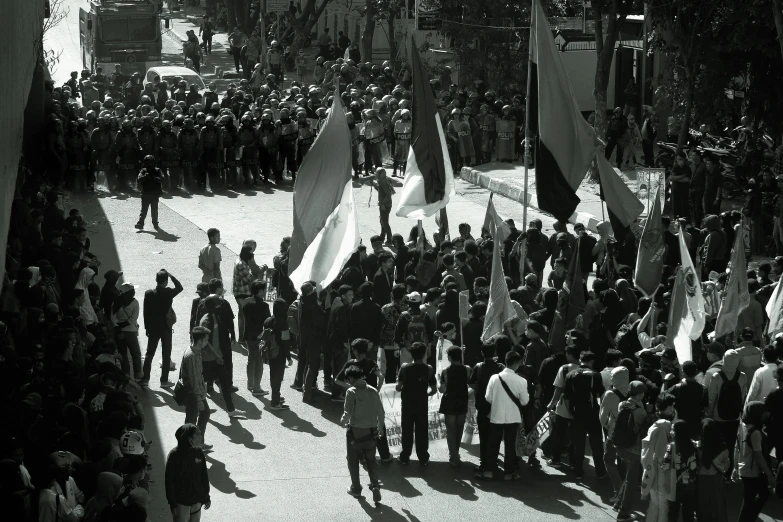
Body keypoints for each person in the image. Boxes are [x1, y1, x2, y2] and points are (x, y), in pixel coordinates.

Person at [476, 351, 528, 480]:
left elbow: (488, 397)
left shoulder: (494, 378)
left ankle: (489, 471)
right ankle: (509, 473)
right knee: (510, 445)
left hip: (496, 415)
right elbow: (524, 401)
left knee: (493, 443)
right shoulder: (522, 380)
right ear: (516, 363)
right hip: (513, 417)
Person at [341, 365, 384, 502]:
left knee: (352, 460)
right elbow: (381, 412)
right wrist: (381, 428)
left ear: (352, 378)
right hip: (372, 432)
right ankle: (375, 484)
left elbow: (348, 412)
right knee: (371, 460)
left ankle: (356, 488)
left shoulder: (351, 392)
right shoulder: (373, 391)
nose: (348, 382)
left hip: (355, 432)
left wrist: (343, 421)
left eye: (348, 380)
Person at [564, 351, 607, 481]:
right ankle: (600, 472)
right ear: (591, 362)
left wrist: (571, 413)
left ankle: (578, 471)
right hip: (593, 413)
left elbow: (566, 398)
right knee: (596, 444)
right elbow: (600, 395)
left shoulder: (570, 375)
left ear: (580, 360)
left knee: (578, 444)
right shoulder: (596, 375)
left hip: (577, 413)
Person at [395, 342, 437, 465]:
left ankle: (405, 456)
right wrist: (425, 394)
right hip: (422, 404)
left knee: (407, 429)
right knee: (422, 430)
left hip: (407, 403)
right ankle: (423, 457)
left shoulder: (404, 367)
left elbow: (398, 387)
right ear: (424, 354)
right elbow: (434, 389)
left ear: (411, 354)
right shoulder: (428, 369)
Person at [141, 269, 183, 388]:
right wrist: (171, 275)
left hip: (153, 328)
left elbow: (146, 313)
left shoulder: (149, 293)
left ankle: (145, 379)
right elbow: (180, 287)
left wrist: (147, 328)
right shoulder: (169, 293)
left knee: (149, 354)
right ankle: (164, 380)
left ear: (156, 280)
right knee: (166, 354)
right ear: (165, 282)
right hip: (166, 328)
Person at [613, 380, 648, 522]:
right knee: (632, 483)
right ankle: (623, 514)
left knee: (628, 477)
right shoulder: (641, 411)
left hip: (619, 446)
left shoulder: (622, 404)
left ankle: (617, 503)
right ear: (640, 394)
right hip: (633, 450)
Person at [735, 401, 775, 522]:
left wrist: (735, 468)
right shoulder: (756, 433)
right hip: (752, 471)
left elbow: (736, 448)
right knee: (751, 501)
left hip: (745, 469)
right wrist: (769, 475)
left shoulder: (743, 427)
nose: (765, 415)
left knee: (755, 497)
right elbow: (759, 456)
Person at [165, 424, 211, 522]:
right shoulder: (174, 455)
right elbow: (169, 481)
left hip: (196, 500)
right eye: (197, 434)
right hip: (181, 503)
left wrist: (206, 496)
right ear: (188, 438)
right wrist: (172, 503)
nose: (200, 435)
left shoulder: (198, 452)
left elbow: (204, 475)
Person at [438, 345, 471, 466]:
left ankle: (453, 455)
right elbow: (471, 384)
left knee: (451, 430)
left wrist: (439, 383)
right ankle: (456, 452)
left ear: (450, 358)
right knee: (459, 428)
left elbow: (442, 390)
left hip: (449, 403)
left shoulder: (445, 372)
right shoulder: (467, 369)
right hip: (462, 403)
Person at [661, 420, 699, 522]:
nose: (671, 431)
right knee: (688, 512)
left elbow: (664, 466)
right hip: (690, 484)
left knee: (673, 511)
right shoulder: (693, 445)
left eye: (673, 429)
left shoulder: (671, 447)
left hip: (675, 484)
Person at [181, 327, 212, 446]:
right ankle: (188, 445)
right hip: (193, 394)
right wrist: (199, 399)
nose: (207, 342)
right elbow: (193, 379)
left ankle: (197, 442)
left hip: (197, 392)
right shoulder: (192, 356)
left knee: (202, 414)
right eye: (206, 339)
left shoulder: (195, 351)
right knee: (191, 421)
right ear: (200, 341)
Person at [241, 279, 271, 396]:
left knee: (251, 359)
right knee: (259, 361)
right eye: (264, 289)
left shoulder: (246, 303)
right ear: (260, 291)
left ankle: (250, 383)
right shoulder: (264, 306)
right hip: (259, 336)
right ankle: (257, 388)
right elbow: (267, 322)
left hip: (249, 335)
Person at [696, 419, 730, 522]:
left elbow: (696, 463)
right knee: (717, 507)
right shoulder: (722, 446)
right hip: (716, 480)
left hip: (701, 481)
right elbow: (726, 463)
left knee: (703, 508)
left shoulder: (698, 446)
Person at [266, 299, 295, 410]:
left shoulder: (269, 320)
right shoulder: (283, 322)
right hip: (280, 353)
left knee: (273, 375)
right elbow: (285, 341)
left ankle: (276, 397)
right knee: (278, 377)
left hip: (270, 353)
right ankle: (275, 402)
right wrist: (289, 357)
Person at [668, 360, 708, 439]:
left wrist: (666, 382)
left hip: (680, 423)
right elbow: (705, 406)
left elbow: (664, 397)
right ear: (696, 371)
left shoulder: (677, 387)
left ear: (683, 372)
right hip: (696, 424)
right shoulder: (703, 389)